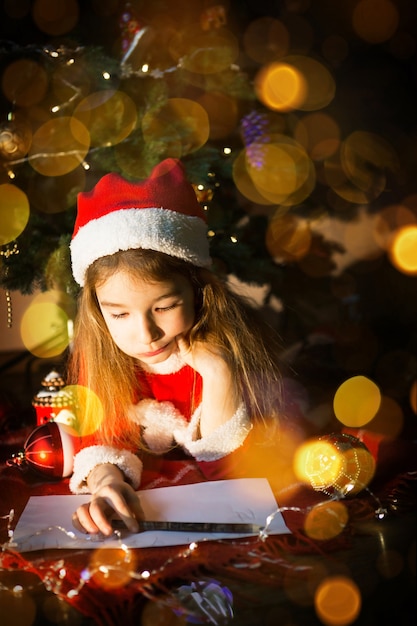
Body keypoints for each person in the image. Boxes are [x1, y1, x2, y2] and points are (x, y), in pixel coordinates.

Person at [68, 158, 284, 536]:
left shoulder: (228, 345)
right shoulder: (104, 351)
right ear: (98, 310)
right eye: (119, 314)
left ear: (199, 291)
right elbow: (102, 437)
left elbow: (235, 475)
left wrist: (219, 374)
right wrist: (105, 479)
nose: (146, 334)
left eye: (164, 307)